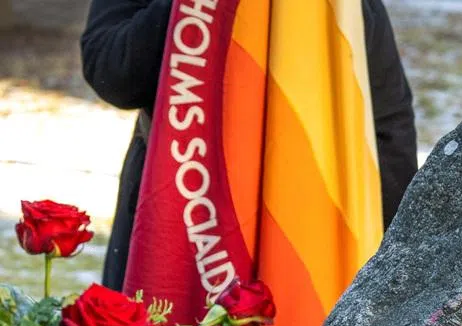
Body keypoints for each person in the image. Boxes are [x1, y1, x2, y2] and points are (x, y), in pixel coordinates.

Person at [81, 0, 418, 291]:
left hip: (304, 239)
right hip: (177, 210)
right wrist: (191, 10)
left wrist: (388, 265)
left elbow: (386, 124)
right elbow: (110, 69)